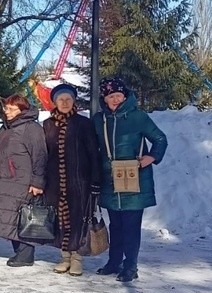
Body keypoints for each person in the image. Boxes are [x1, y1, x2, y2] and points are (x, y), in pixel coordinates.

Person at [93, 76, 167, 282]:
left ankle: (130, 266)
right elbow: (93, 148)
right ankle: (114, 262)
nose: (115, 99)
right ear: (104, 99)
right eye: (111, 96)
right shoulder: (100, 121)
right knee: (115, 225)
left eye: (119, 95)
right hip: (110, 180)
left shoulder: (138, 117)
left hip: (135, 180)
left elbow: (160, 138)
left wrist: (151, 157)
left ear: (124, 96)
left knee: (131, 227)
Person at [42, 82, 102, 276]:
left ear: (74, 101)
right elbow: (44, 154)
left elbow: (94, 153)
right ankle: (65, 256)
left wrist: (95, 180)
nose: (65, 102)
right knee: (60, 220)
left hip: (79, 182)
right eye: (61, 99)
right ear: (55, 102)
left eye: (68, 99)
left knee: (77, 219)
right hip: (55, 183)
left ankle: (77, 258)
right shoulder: (48, 125)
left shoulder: (83, 123)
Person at [0, 94, 47, 267]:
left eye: (13, 109)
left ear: (22, 110)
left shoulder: (31, 128)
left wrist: (37, 182)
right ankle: (19, 252)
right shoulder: (6, 127)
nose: (8, 112)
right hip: (6, 180)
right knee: (11, 217)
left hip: (22, 180)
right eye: (6, 108)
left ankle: (25, 254)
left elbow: (40, 156)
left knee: (22, 216)